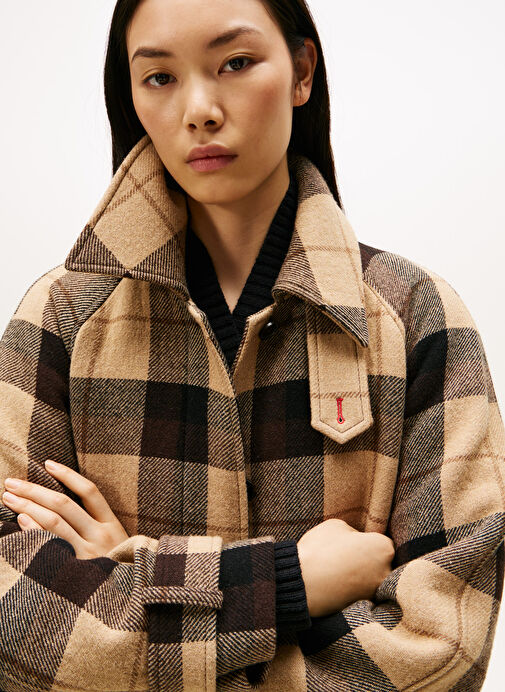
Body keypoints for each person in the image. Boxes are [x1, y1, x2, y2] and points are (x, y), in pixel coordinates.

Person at [0, 0, 503, 690]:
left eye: (235, 63)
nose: (200, 110)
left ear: (301, 71)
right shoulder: (62, 317)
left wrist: (132, 573)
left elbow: (440, 653)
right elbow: (12, 628)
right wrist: (284, 583)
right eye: (159, 77)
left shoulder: (418, 317)